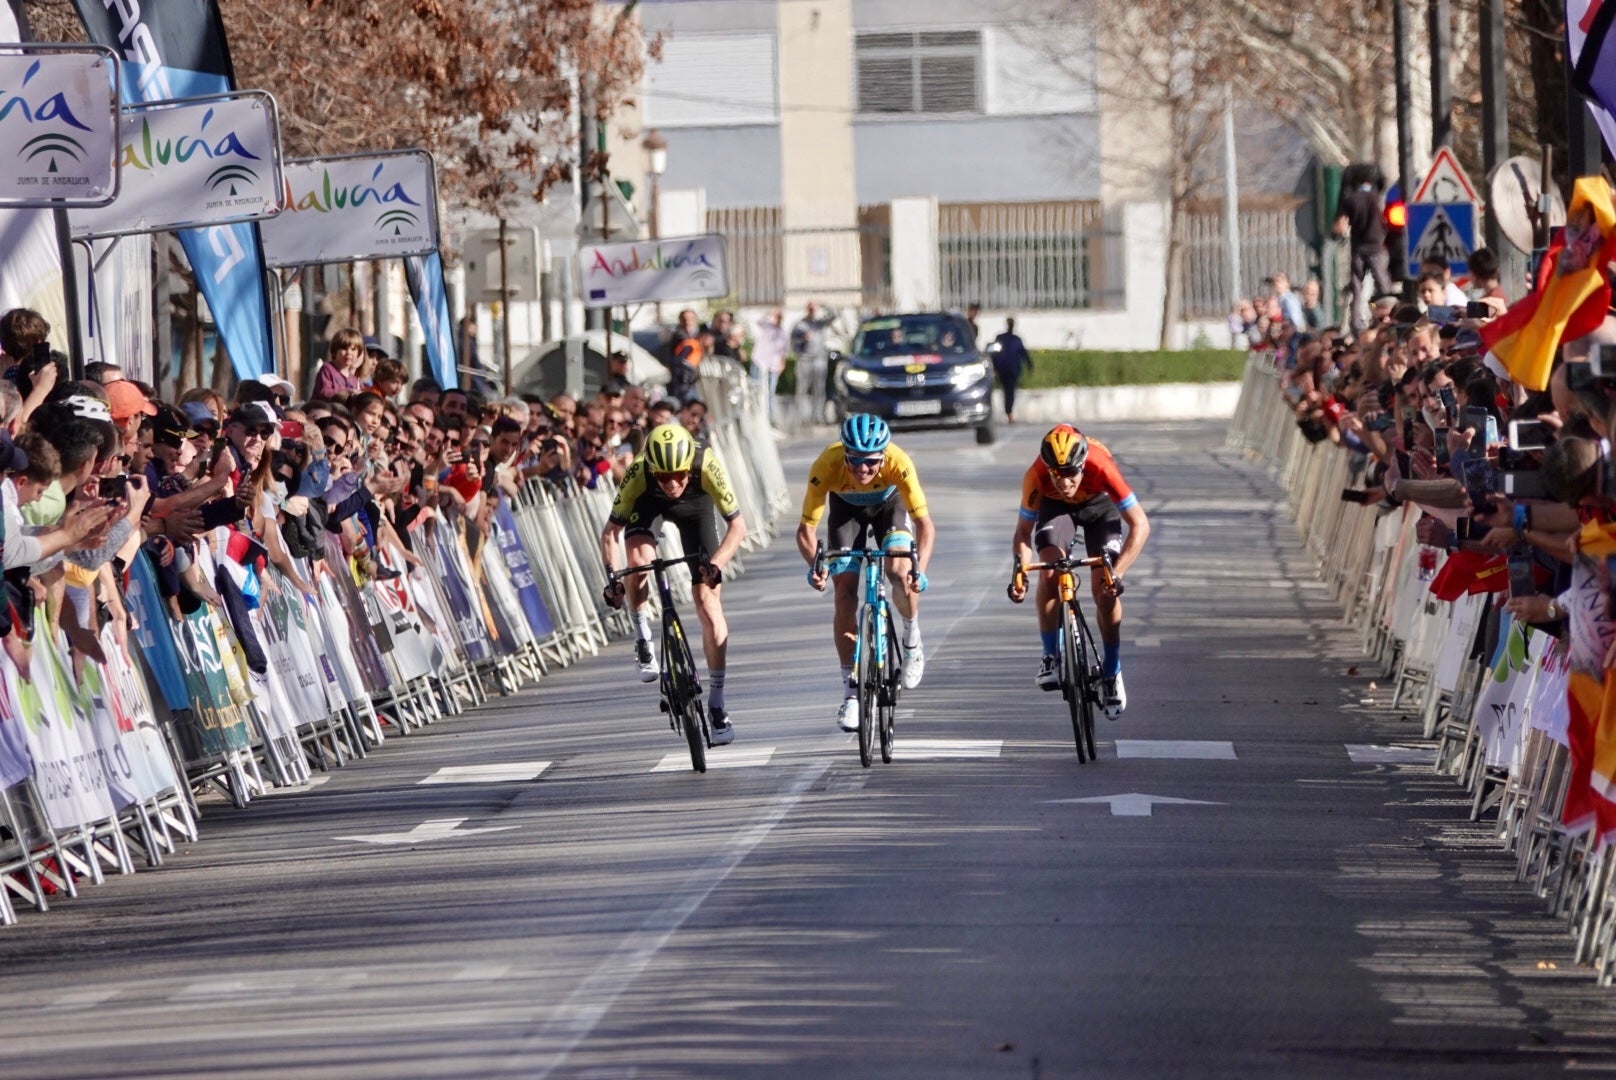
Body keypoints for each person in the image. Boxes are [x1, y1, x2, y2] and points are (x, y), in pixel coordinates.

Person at [601, 423, 746, 745]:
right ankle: (643, 636)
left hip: (697, 508)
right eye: (664, 477)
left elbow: (737, 526)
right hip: (648, 508)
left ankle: (718, 703)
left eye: (679, 474)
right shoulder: (638, 470)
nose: (673, 483)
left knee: (708, 604)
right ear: (651, 468)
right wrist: (612, 577)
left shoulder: (705, 462)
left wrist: (715, 564)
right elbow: (610, 533)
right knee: (638, 564)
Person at [798, 414, 934, 732]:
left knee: (899, 569)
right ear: (844, 454)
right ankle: (851, 694)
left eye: (871, 462)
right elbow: (806, 529)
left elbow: (926, 526)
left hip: (890, 505)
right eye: (855, 461)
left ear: (883, 456)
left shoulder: (899, 463)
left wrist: (920, 569)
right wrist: (814, 565)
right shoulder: (826, 465)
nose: (862, 470)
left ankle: (912, 638)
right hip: (846, 510)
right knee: (844, 595)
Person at [1008, 424, 1150, 718]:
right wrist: (1019, 570)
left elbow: (1140, 524)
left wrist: (1119, 572)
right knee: (1049, 571)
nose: (1064, 482)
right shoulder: (1036, 476)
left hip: (1100, 507)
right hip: (1056, 510)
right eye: (1056, 474)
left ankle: (1111, 670)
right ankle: (1050, 656)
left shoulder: (1101, 465)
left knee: (1105, 591)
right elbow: (1023, 533)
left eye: (1071, 473)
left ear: (1083, 464)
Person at [1333, 163, 1394, 331]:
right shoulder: (1378, 197)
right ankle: (1390, 314)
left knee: (1356, 287)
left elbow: (1341, 225)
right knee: (1384, 284)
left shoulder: (1350, 199)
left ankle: (1356, 323)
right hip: (1378, 246)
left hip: (1359, 247)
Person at [991, 318, 1033, 424]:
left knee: (1006, 391)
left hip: (1002, 369)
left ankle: (1008, 412)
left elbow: (994, 354)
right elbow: (1024, 354)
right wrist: (1030, 366)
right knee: (1010, 391)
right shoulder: (1017, 340)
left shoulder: (1000, 338)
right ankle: (1009, 413)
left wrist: (994, 367)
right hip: (1013, 369)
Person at [751, 309, 787, 422]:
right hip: (759, 361)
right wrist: (770, 312)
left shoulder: (783, 334)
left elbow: (783, 352)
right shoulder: (767, 327)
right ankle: (756, 415)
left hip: (773, 364)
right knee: (756, 389)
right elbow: (759, 320)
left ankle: (769, 418)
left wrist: (782, 364)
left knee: (770, 392)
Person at [313, 328, 366, 401]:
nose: (349, 353)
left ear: (358, 354)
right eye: (344, 349)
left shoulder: (354, 380)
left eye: (353, 349)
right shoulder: (327, 369)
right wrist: (348, 393)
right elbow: (324, 392)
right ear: (335, 351)